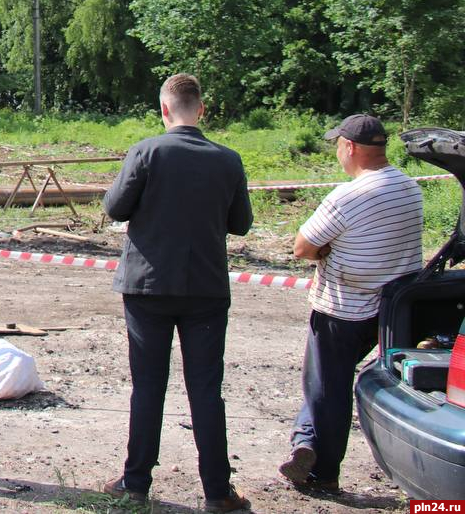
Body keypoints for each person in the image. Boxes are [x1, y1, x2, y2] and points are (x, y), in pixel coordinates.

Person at [101, 74, 253, 512]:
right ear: (201, 109)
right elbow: (241, 223)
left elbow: (114, 208)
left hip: (147, 286)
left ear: (164, 109)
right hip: (205, 287)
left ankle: (135, 484)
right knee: (207, 389)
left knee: (148, 386)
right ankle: (218, 493)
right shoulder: (229, 159)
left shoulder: (146, 151)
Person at [279, 113, 423, 492]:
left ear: (350, 147)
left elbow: (302, 247)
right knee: (322, 384)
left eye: (337, 146)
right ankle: (304, 442)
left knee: (327, 389)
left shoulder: (348, 196)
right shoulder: (410, 188)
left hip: (341, 308)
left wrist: (329, 247)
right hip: (388, 311)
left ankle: (322, 472)